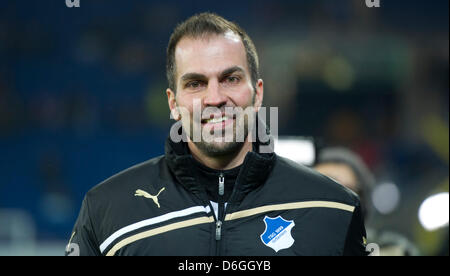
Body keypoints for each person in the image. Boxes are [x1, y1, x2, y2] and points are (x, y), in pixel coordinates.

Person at [65, 13, 368, 256]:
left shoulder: (334, 209)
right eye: (195, 83)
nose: (215, 97)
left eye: (230, 78)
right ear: (173, 103)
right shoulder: (107, 210)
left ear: (258, 93)